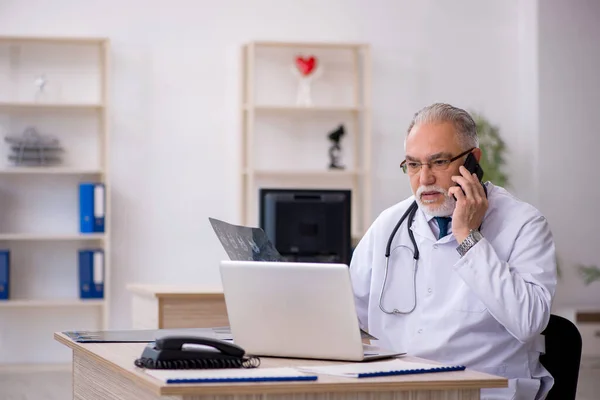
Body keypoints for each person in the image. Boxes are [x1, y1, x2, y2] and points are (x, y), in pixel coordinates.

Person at [349, 103, 557, 400]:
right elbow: (349, 316)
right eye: (413, 164)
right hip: (399, 388)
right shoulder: (389, 224)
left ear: (473, 161)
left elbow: (528, 322)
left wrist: (467, 237)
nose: (424, 179)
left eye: (438, 162)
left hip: (488, 391)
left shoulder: (524, 224)